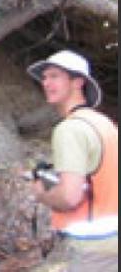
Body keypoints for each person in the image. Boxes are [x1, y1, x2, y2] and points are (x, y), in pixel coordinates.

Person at [26, 49, 118, 271]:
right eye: (45, 77)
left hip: (88, 248)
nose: (46, 83)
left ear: (77, 82)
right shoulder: (104, 123)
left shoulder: (69, 130)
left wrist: (40, 192)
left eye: (55, 76)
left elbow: (69, 197)